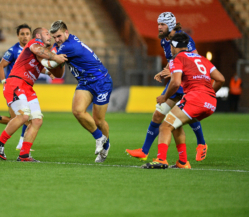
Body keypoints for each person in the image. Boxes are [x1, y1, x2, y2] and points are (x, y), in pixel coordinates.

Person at [126, 12, 208, 162]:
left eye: (162, 24)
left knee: (189, 116)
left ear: (170, 25)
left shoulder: (184, 39)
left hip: (186, 82)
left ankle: (201, 144)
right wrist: (165, 71)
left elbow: (195, 60)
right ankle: (144, 151)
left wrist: (174, 71)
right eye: (158, 24)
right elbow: (173, 60)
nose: (159, 27)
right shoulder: (164, 41)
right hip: (175, 82)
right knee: (158, 115)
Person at [142, 33, 225, 169]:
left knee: (165, 126)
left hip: (194, 99)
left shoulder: (177, 59)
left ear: (174, 46)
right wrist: (210, 94)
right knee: (175, 124)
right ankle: (183, 162)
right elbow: (221, 79)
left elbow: (175, 83)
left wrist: (164, 97)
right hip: (210, 104)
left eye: (171, 46)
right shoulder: (202, 58)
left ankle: (161, 159)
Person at [0, 27, 67, 162]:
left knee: (37, 120)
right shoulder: (34, 43)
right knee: (23, 116)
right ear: (38, 35)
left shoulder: (45, 52)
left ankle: (24, 155)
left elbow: (51, 69)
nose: (49, 36)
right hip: (16, 82)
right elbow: (38, 50)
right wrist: (55, 57)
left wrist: (56, 66)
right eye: (46, 33)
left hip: (28, 87)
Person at [50, 20, 113, 163]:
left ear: (66, 32)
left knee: (98, 120)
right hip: (85, 82)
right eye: (54, 37)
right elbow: (53, 52)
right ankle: (99, 137)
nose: (57, 40)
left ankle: (106, 147)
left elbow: (51, 62)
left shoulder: (69, 46)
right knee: (78, 111)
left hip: (101, 81)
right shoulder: (64, 42)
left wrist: (41, 58)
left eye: (59, 36)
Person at [0, 24, 32, 150]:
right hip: (13, 89)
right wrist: (4, 82)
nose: (25, 37)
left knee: (19, 119)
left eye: (27, 34)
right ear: (18, 36)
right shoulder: (13, 50)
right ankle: (20, 143)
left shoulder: (31, 50)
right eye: (22, 34)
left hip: (24, 88)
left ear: (30, 35)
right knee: (22, 119)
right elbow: (0, 66)